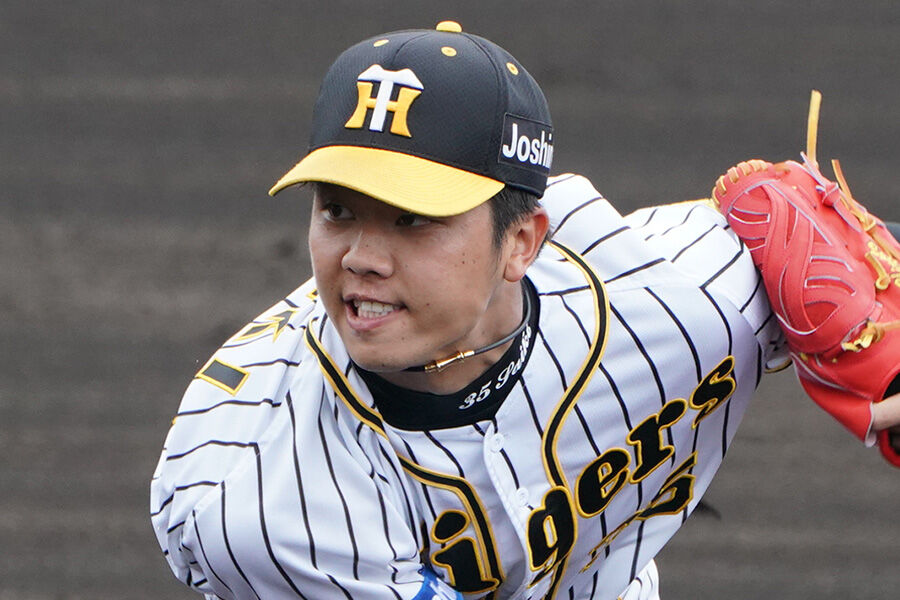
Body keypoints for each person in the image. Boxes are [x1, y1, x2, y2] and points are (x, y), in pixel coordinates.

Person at [151, 21, 900, 600]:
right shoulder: (269, 499)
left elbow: (812, 237)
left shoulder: (676, 299)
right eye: (338, 210)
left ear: (521, 242)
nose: (361, 258)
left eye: (414, 219)